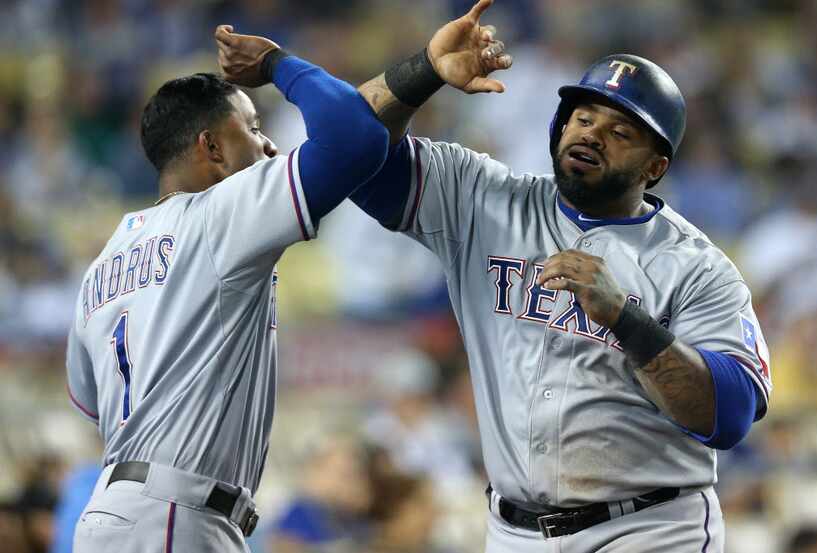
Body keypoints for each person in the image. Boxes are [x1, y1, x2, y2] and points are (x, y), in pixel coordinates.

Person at [350, 0, 773, 551]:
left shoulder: (697, 266)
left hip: (648, 529)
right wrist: (424, 72)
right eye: (584, 117)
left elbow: (731, 415)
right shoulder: (484, 200)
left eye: (621, 131)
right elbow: (348, 147)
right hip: (511, 530)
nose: (593, 134)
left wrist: (627, 320)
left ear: (655, 167)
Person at [65, 25, 391, 552]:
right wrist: (277, 65)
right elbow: (357, 138)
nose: (268, 144)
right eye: (253, 126)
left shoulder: (102, 263)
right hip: (177, 516)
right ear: (212, 146)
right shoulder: (221, 213)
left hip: (111, 511)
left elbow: (89, 402)